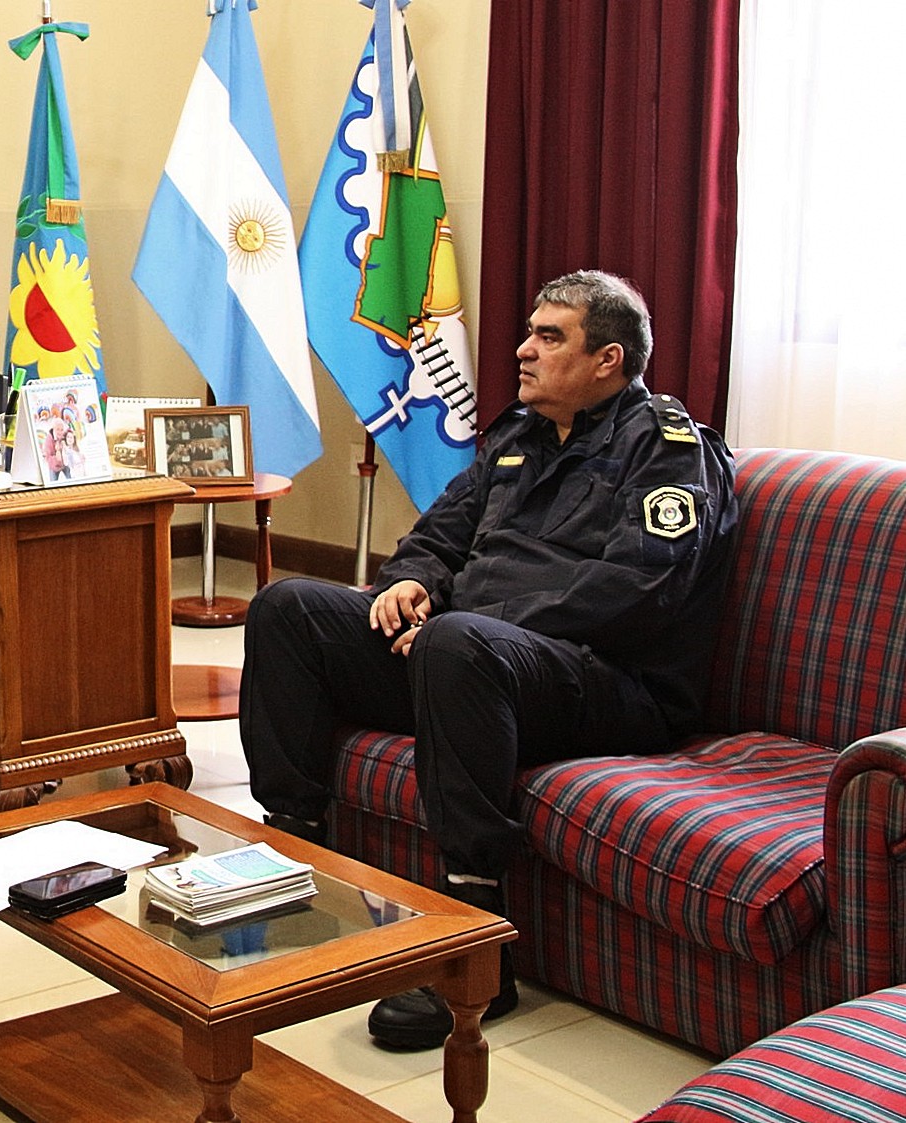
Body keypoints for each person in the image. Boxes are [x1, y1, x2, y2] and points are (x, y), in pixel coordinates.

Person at [237, 271, 739, 1052]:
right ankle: (294, 867)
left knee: (453, 641)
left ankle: (477, 948)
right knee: (288, 607)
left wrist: (470, 619)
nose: (522, 348)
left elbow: (639, 590)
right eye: (529, 330)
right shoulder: (518, 438)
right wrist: (410, 581)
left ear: (608, 359)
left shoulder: (670, 451)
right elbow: (441, 534)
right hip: (470, 663)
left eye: (549, 337)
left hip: (607, 683)